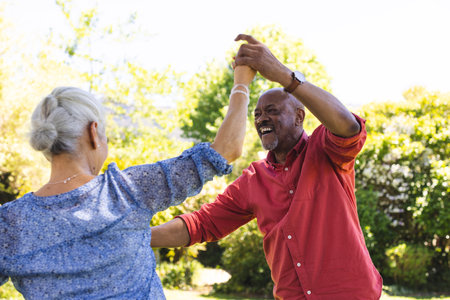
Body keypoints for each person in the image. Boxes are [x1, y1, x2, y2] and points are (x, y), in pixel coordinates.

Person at [0, 55, 256, 298]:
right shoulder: (128, 190)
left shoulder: (10, 223)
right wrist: (242, 82)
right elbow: (226, 149)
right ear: (94, 132)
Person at [151, 34, 383, 300]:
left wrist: (283, 75)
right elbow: (201, 224)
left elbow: (348, 126)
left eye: (272, 111)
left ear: (299, 117)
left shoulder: (324, 150)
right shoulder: (253, 180)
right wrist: (133, 236)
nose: (262, 119)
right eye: (257, 114)